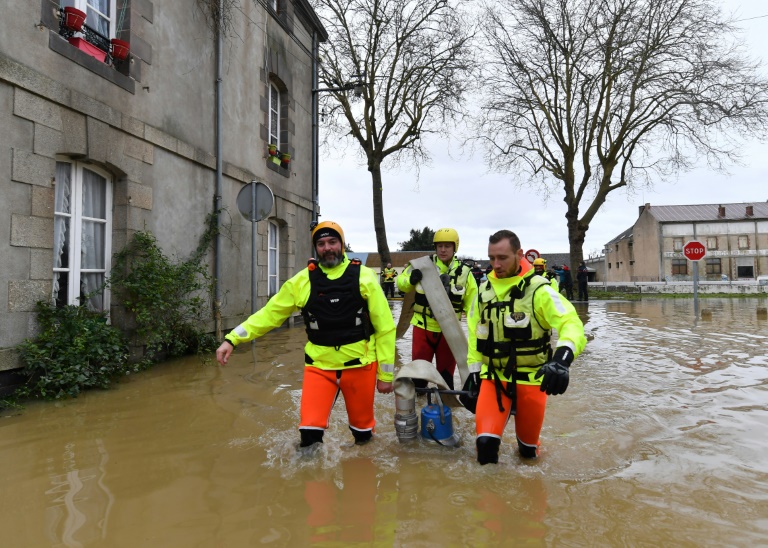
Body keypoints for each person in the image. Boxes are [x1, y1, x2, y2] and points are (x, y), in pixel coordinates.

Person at [215, 221, 395, 449]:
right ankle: (312, 479)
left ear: (342, 244)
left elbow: (385, 328)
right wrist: (233, 339)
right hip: (319, 367)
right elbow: (269, 315)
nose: (327, 248)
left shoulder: (365, 277)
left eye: (332, 242)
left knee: (363, 436)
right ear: (315, 248)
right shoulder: (301, 281)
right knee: (308, 435)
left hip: (360, 367)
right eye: (321, 244)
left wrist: (386, 375)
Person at [466, 230, 586, 464]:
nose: (495, 265)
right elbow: (475, 333)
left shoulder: (539, 290)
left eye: (502, 258)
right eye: (491, 258)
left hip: (532, 379)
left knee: (528, 453)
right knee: (485, 446)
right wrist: (473, 372)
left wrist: (562, 360)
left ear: (519, 254)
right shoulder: (483, 292)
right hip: (494, 379)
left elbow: (571, 323)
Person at [397, 227, 478, 389]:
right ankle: (419, 404)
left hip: (449, 332)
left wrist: (476, 337)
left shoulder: (465, 273)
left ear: (455, 247)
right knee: (419, 379)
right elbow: (401, 283)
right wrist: (410, 280)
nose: (442, 250)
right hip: (422, 328)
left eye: (447, 246)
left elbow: (473, 308)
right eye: (439, 246)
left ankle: (446, 405)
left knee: (446, 379)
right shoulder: (420, 265)